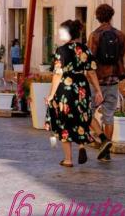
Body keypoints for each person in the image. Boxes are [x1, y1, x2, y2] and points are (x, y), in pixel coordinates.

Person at [45, 20, 107, 167]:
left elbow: (57, 74)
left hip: (66, 87)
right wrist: (98, 90)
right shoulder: (85, 49)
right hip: (82, 86)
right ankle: (97, 140)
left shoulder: (61, 50)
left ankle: (68, 159)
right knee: (83, 114)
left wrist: (51, 94)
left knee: (65, 119)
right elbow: (91, 72)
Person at [88, 4, 125, 162]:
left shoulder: (94, 35)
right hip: (113, 79)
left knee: (87, 113)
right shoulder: (120, 35)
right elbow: (121, 55)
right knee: (108, 116)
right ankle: (106, 153)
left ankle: (103, 140)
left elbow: (90, 61)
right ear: (111, 16)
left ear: (97, 17)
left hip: (96, 81)